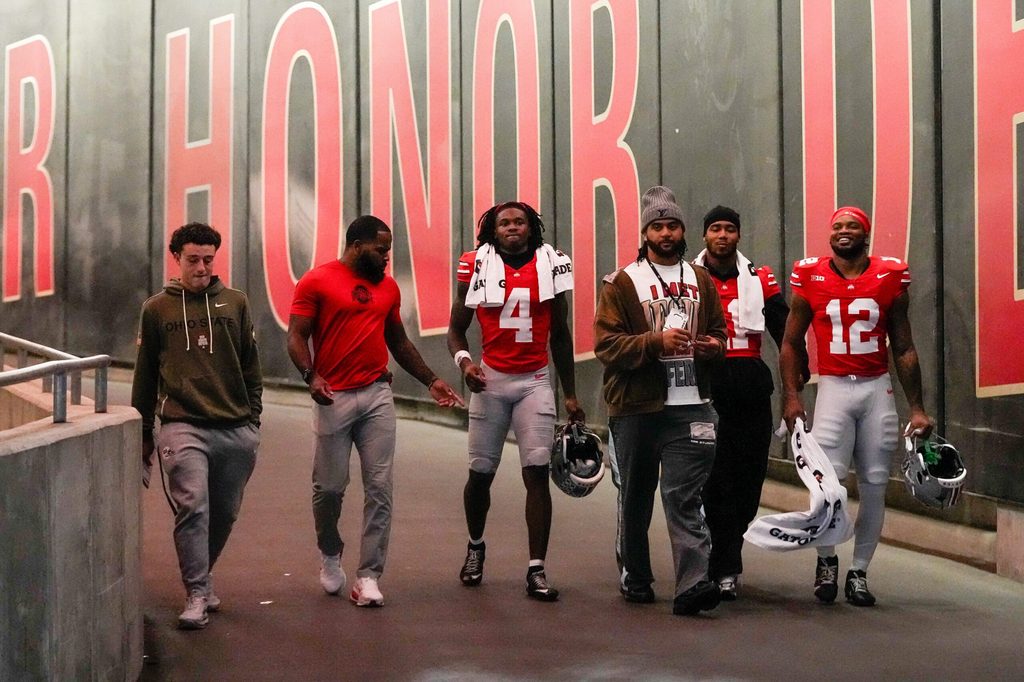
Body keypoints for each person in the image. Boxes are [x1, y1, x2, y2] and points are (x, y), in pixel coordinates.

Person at [287, 215, 463, 608]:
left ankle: (368, 576)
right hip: (332, 396)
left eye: (388, 250)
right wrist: (310, 376)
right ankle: (330, 552)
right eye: (380, 249)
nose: (386, 257)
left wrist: (431, 379)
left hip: (377, 396)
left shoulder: (388, 288)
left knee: (380, 488)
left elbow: (398, 341)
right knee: (329, 489)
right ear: (355, 245)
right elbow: (296, 336)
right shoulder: (316, 281)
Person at [779, 205, 933, 607]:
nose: (843, 231)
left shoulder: (890, 275)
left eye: (852, 226)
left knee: (875, 485)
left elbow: (903, 346)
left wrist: (917, 407)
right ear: (829, 233)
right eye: (837, 226)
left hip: (875, 389)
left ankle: (859, 571)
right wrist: (792, 396)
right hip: (831, 387)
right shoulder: (810, 274)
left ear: (866, 234)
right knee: (826, 484)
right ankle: (827, 561)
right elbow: (791, 342)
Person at [594, 186, 727, 616]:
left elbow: (722, 333)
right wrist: (655, 342)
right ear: (646, 233)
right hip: (637, 406)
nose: (666, 233)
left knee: (684, 496)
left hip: (693, 405)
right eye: (657, 226)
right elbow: (606, 345)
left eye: (672, 225)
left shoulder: (701, 279)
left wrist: (713, 346)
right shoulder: (621, 283)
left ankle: (692, 584)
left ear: (682, 230)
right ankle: (636, 573)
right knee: (635, 495)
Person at [446, 201, 583, 602]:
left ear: (531, 227)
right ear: (493, 229)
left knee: (537, 472)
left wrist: (570, 392)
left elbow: (560, 334)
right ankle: (475, 546)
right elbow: (456, 330)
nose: (512, 228)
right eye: (504, 222)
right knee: (480, 472)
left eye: (519, 222)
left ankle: (536, 569)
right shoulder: (475, 265)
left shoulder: (551, 264)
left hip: (534, 380)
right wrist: (465, 363)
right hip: (490, 379)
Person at [132, 222, 263, 630]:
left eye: (208, 259)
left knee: (224, 513)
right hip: (181, 425)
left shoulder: (236, 303)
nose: (202, 267)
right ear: (176, 259)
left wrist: (254, 419)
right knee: (194, 507)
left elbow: (250, 366)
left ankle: (203, 579)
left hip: (235, 426)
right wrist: (142, 435)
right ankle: (195, 594)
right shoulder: (157, 309)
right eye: (193, 260)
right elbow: (145, 374)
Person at [693, 205, 799, 601]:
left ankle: (724, 551)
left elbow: (784, 330)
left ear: (739, 236)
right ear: (705, 236)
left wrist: (796, 378)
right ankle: (725, 564)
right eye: (716, 229)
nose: (723, 236)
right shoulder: (690, 278)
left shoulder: (759, 277)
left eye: (730, 229)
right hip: (708, 383)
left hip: (751, 382)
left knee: (750, 478)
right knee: (716, 477)